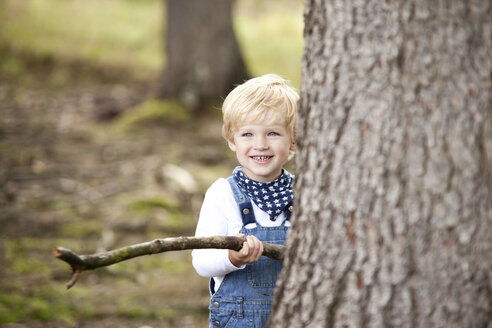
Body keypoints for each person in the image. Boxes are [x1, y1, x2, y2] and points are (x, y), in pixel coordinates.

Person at [192, 74, 299, 328]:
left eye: (273, 133)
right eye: (248, 134)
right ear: (232, 140)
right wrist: (232, 257)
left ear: (293, 140)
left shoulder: (305, 192)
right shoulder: (222, 194)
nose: (260, 144)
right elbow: (201, 261)